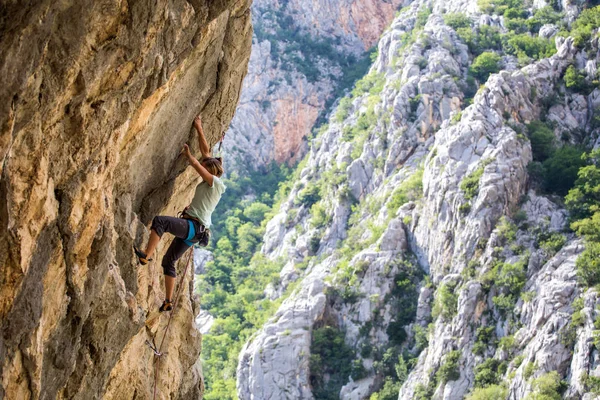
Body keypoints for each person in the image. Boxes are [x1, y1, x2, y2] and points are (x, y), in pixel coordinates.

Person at [134, 115, 226, 312]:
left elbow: (199, 165)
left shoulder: (216, 184)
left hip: (194, 227)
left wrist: (188, 155)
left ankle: (145, 255)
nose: (203, 168)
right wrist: (199, 127)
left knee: (161, 222)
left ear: (213, 171)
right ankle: (168, 301)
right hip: (195, 232)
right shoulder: (212, 181)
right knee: (168, 261)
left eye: (206, 167)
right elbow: (206, 153)